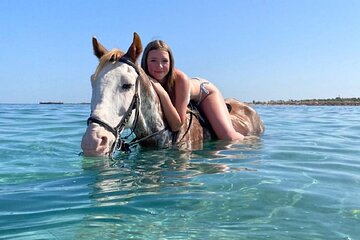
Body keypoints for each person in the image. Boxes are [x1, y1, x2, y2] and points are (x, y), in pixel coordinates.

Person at [141, 40, 244, 141]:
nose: (159, 66)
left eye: (165, 61)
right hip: (186, 94)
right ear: (145, 62)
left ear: (171, 62)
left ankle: (250, 141)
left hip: (205, 94)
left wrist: (162, 92)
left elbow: (176, 126)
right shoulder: (142, 79)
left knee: (228, 137)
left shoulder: (181, 79)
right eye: (153, 60)